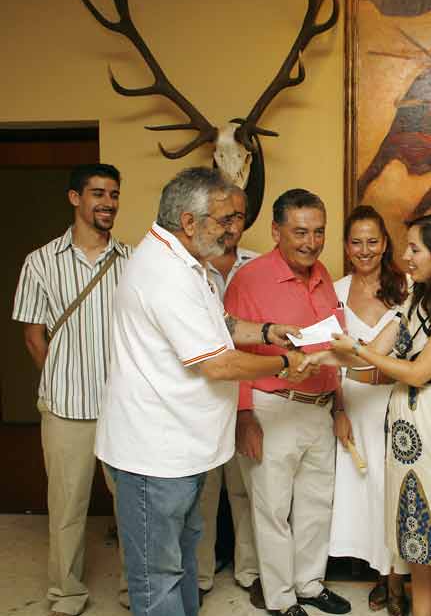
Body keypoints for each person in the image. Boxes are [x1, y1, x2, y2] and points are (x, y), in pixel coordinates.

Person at [95, 167, 314, 616]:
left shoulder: (187, 262)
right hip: (155, 459)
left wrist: (269, 331)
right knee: (158, 579)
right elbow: (218, 362)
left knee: (183, 569)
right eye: (226, 219)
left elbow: (221, 326)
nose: (236, 228)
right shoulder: (164, 274)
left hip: (186, 452)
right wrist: (286, 363)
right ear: (190, 222)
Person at [311, 212, 431, 616]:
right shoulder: (413, 300)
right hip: (406, 435)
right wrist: (323, 358)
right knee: (417, 541)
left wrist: (352, 351)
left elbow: (417, 371)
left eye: (414, 249)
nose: (405, 257)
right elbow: (376, 354)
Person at [226, 189, 352, 616]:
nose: (310, 242)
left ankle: (309, 584)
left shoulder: (324, 276)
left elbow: (332, 348)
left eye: (318, 232)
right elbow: (232, 351)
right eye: (300, 232)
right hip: (270, 406)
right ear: (276, 231)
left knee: (317, 505)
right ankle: (281, 599)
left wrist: (337, 405)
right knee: (272, 508)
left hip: (318, 408)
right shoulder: (249, 278)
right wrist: (244, 415)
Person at [12, 163, 130, 616]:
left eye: (114, 194)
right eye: (98, 193)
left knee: (133, 511)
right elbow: (33, 335)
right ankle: (67, 594)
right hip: (65, 406)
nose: (108, 203)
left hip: (124, 408)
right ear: (74, 198)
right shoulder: (40, 261)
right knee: (66, 509)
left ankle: (132, 588)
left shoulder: (132, 259)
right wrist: (61, 375)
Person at [327, 205, 409, 616]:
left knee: (395, 492)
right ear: (346, 245)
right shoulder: (335, 292)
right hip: (356, 406)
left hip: (399, 406)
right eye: (356, 242)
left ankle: (398, 584)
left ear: (385, 244)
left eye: (373, 241)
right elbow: (331, 361)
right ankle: (381, 575)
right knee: (368, 495)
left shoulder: (408, 287)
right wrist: (338, 410)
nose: (365, 250)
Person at [195, 185, 261, 602]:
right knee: (202, 494)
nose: (232, 225)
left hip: (248, 389)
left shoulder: (258, 267)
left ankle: (251, 571)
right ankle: (200, 576)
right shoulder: (190, 267)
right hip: (200, 395)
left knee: (245, 488)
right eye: (225, 216)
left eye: (239, 217)